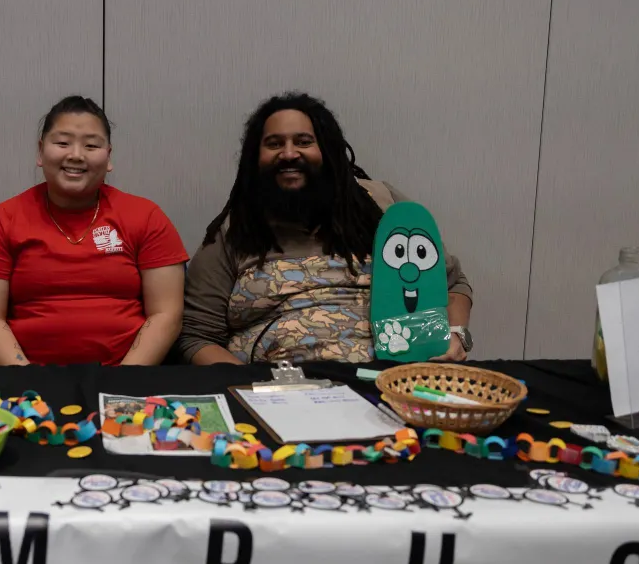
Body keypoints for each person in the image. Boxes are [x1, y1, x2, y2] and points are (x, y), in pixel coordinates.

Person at [180, 92, 473, 365]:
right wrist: (252, 390)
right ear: (254, 158)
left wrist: (457, 333)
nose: (289, 153)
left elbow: (451, 283)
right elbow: (197, 336)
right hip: (280, 395)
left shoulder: (382, 206)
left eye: (304, 141)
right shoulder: (237, 228)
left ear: (329, 149)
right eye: (274, 143)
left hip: (394, 383)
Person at [0, 96, 188, 365]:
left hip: (126, 376)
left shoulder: (147, 217)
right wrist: (28, 379)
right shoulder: (2, 220)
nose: (76, 155)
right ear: (40, 151)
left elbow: (167, 314)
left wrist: (125, 381)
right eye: (62, 143)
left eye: (91, 145)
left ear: (108, 157)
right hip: (28, 378)